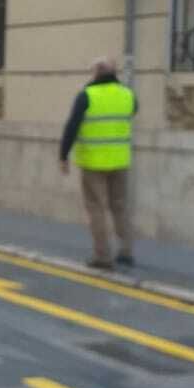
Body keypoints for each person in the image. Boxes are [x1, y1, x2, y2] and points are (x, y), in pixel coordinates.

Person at [59, 57, 137, 270]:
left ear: (96, 74)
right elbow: (132, 112)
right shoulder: (128, 95)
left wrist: (63, 155)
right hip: (120, 161)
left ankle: (103, 256)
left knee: (96, 208)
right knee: (119, 206)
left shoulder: (86, 96)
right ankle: (126, 250)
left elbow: (72, 126)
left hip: (93, 161)